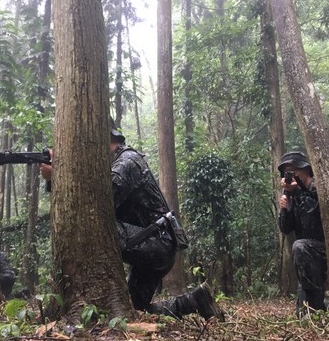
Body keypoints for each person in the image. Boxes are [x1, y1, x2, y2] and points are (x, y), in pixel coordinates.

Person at [40, 129, 223, 321]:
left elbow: (95, 207)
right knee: (134, 311)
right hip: (153, 243)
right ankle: (194, 301)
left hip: (157, 243)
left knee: (96, 226)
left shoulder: (127, 162)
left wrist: (58, 175)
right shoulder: (116, 163)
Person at [277, 151, 327, 314]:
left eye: (293, 170)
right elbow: (286, 228)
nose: (290, 175)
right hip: (305, 253)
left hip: (324, 248)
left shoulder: (317, 188)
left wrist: (297, 193)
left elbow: (312, 212)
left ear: (305, 170)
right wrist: (285, 208)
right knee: (302, 314)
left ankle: (317, 301)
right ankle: (313, 305)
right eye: (287, 172)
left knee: (299, 246)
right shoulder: (291, 194)